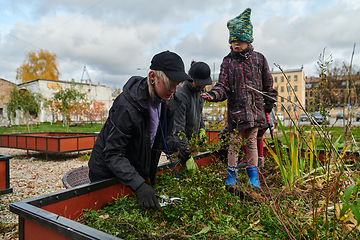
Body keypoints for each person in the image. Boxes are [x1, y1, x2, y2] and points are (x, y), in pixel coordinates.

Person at [88, 50, 192, 211]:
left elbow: (159, 138)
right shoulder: (127, 106)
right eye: (170, 83)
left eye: (177, 84)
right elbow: (113, 153)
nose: (174, 90)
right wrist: (139, 185)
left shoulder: (166, 103)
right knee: (108, 214)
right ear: (153, 77)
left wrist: (176, 146)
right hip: (106, 172)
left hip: (130, 170)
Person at [201, 8, 277, 189]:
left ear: (248, 40)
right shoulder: (228, 61)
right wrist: (213, 95)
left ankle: (253, 177)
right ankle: (231, 175)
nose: (236, 44)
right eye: (233, 40)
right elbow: (223, 85)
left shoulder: (259, 59)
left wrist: (268, 104)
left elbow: (268, 85)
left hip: (255, 110)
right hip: (237, 112)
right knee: (234, 143)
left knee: (251, 142)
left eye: (240, 40)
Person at [172, 61, 212, 171]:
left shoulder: (201, 90)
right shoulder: (180, 94)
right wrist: (186, 154)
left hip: (192, 142)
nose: (201, 86)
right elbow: (178, 128)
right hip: (178, 143)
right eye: (199, 83)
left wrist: (202, 128)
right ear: (190, 77)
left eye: (204, 83)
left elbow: (199, 112)